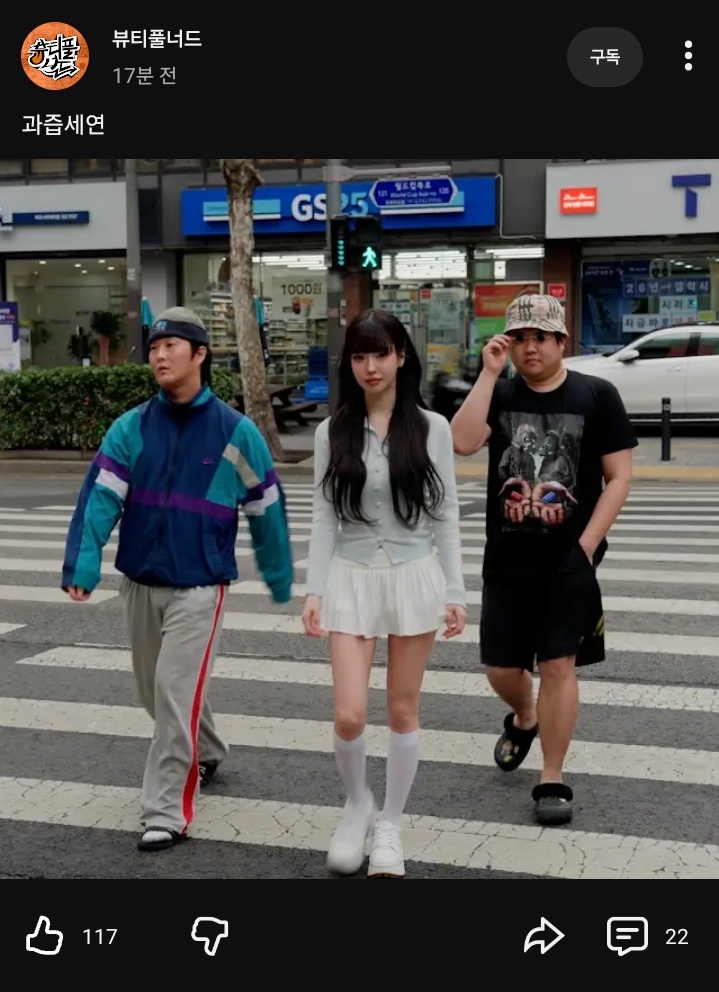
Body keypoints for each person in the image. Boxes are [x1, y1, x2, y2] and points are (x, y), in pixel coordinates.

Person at [61, 306, 294, 852]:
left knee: (172, 692)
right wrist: (83, 565)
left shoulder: (235, 433)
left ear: (200, 355)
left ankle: (166, 810)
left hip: (200, 584)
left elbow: (266, 507)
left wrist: (279, 575)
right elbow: (99, 500)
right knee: (157, 692)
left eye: (171, 346)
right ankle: (206, 748)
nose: (160, 355)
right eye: (154, 347)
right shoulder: (131, 428)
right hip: (141, 582)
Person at [451, 294, 636, 826]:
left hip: (568, 559)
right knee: (501, 669)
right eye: (519, 338)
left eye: (540, 337)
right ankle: (524, 714)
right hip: (507, 557)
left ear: (561, 341)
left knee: (558, 665)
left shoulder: (597, 395)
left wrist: (586, 546)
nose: (529, 347)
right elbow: (462, 442)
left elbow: (619, 478)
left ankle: (551, 777)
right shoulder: (502, 392)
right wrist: (489, 374)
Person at [302, 308, 466, 878]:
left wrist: (455, 591)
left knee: (402, 708)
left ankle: (390, 823)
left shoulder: (432, 428)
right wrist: (313, 589)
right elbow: (324, 516)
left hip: (413, 573)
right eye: (360, 356)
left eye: (381, 354)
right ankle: (357, 804)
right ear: (349, 363)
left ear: (401, 357)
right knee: (349, 714)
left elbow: (445, 514)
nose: (371, 366)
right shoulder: (331, 431)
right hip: (349, 575)